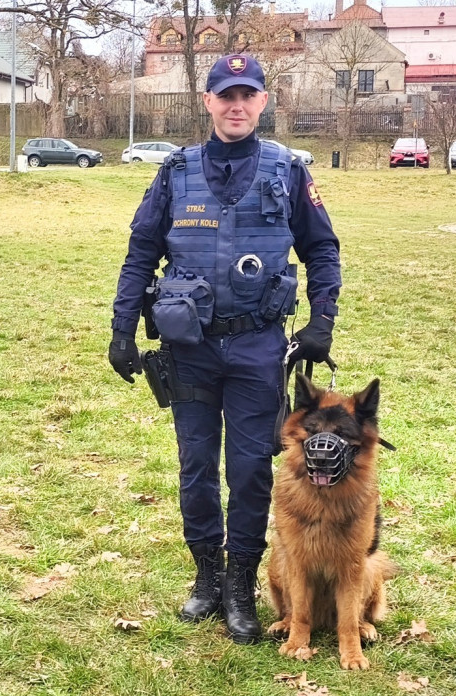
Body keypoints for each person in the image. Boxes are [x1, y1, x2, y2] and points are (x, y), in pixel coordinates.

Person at [108, 54, 341, 645]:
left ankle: (241, 584)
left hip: (259, 347)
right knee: (195, 468)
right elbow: (139, 253)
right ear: (207, 102)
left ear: (263, 102)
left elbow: (323, 249)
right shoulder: (174, 172)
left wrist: (322, 324)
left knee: (248, 470)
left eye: (248, 96)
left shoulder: (288, 171)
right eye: (225, 96)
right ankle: (206, 578)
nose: (236, 106)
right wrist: (122, 329)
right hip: (189, 349)